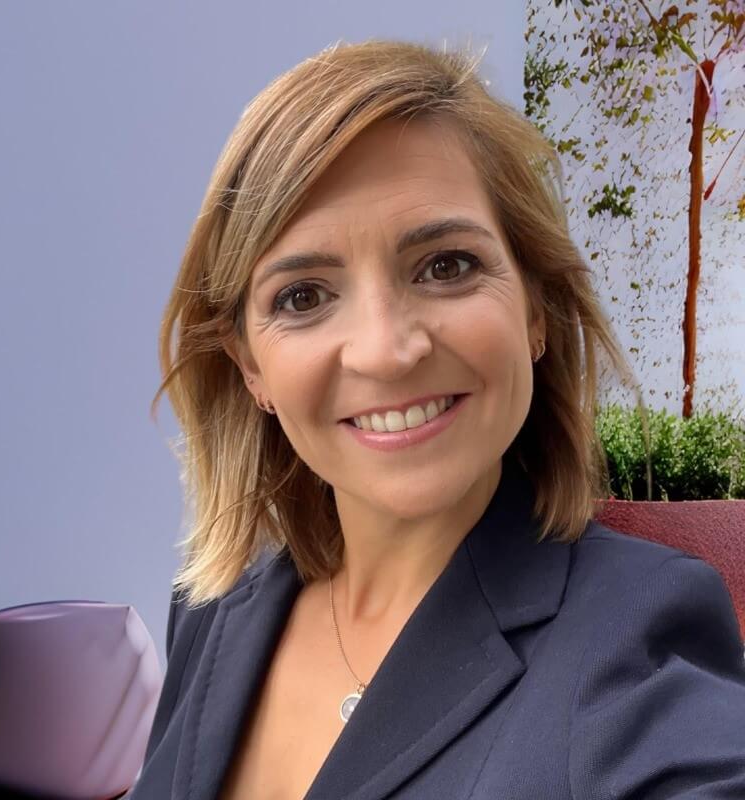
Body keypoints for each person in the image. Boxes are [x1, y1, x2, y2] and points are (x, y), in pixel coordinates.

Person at [130, 39, 745, 800]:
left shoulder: (636, 634)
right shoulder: (210, 609)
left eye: (446, 266)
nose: (387, 352)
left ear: (535, 310)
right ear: (250, 366)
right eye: (303, 297)